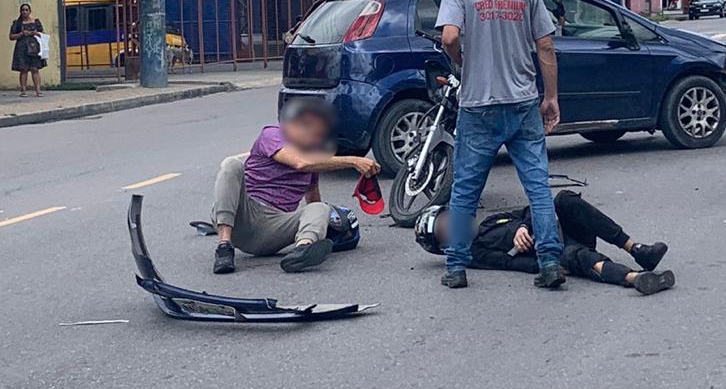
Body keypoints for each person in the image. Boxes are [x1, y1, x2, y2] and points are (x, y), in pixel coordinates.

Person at [435, 0, 564, 291]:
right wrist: (550, 97)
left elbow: (449, 36)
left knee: (466, 189)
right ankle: (550, 260)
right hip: (522, 101)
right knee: (537, 185)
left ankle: (457, 266)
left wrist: (461, 61)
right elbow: (546, 46)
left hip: (478, 103)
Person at [211, 96, 380, 275]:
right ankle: (224, 246)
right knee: (231, 164)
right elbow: (300, 163)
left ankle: (302, 251)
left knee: (320, 207)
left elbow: (313, 197)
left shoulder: (314, 157)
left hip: (272, 230)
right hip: (244, 214)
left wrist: (321, 225)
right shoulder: (272, 135)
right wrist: (353, 161)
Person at [414, 191, 676, 295]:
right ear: (445, 246)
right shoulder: (476, 253)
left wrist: (525, 227)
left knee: (564, 200)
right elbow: (508, 263)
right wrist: (540, 265)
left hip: (559, 227)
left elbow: (531, 209)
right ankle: (636, 278)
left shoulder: (491, 221)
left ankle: (638, 250)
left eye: (449, 218)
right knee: (578, 257)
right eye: (445, 230)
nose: (453, 225)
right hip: (553, 252)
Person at [9, 2, 45, 98]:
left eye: (26, 10)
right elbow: (11, 36)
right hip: (21, 49)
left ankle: (38, 90)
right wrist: (21, 34)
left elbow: (42, 34)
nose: (24, 12)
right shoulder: (17, 23)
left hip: (34, 48)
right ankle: (23, 90)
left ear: (30, 11)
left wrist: (35, 33)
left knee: (35, 69)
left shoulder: (36, 22)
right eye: (23, 10)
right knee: (23, 69)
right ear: (20, 11)